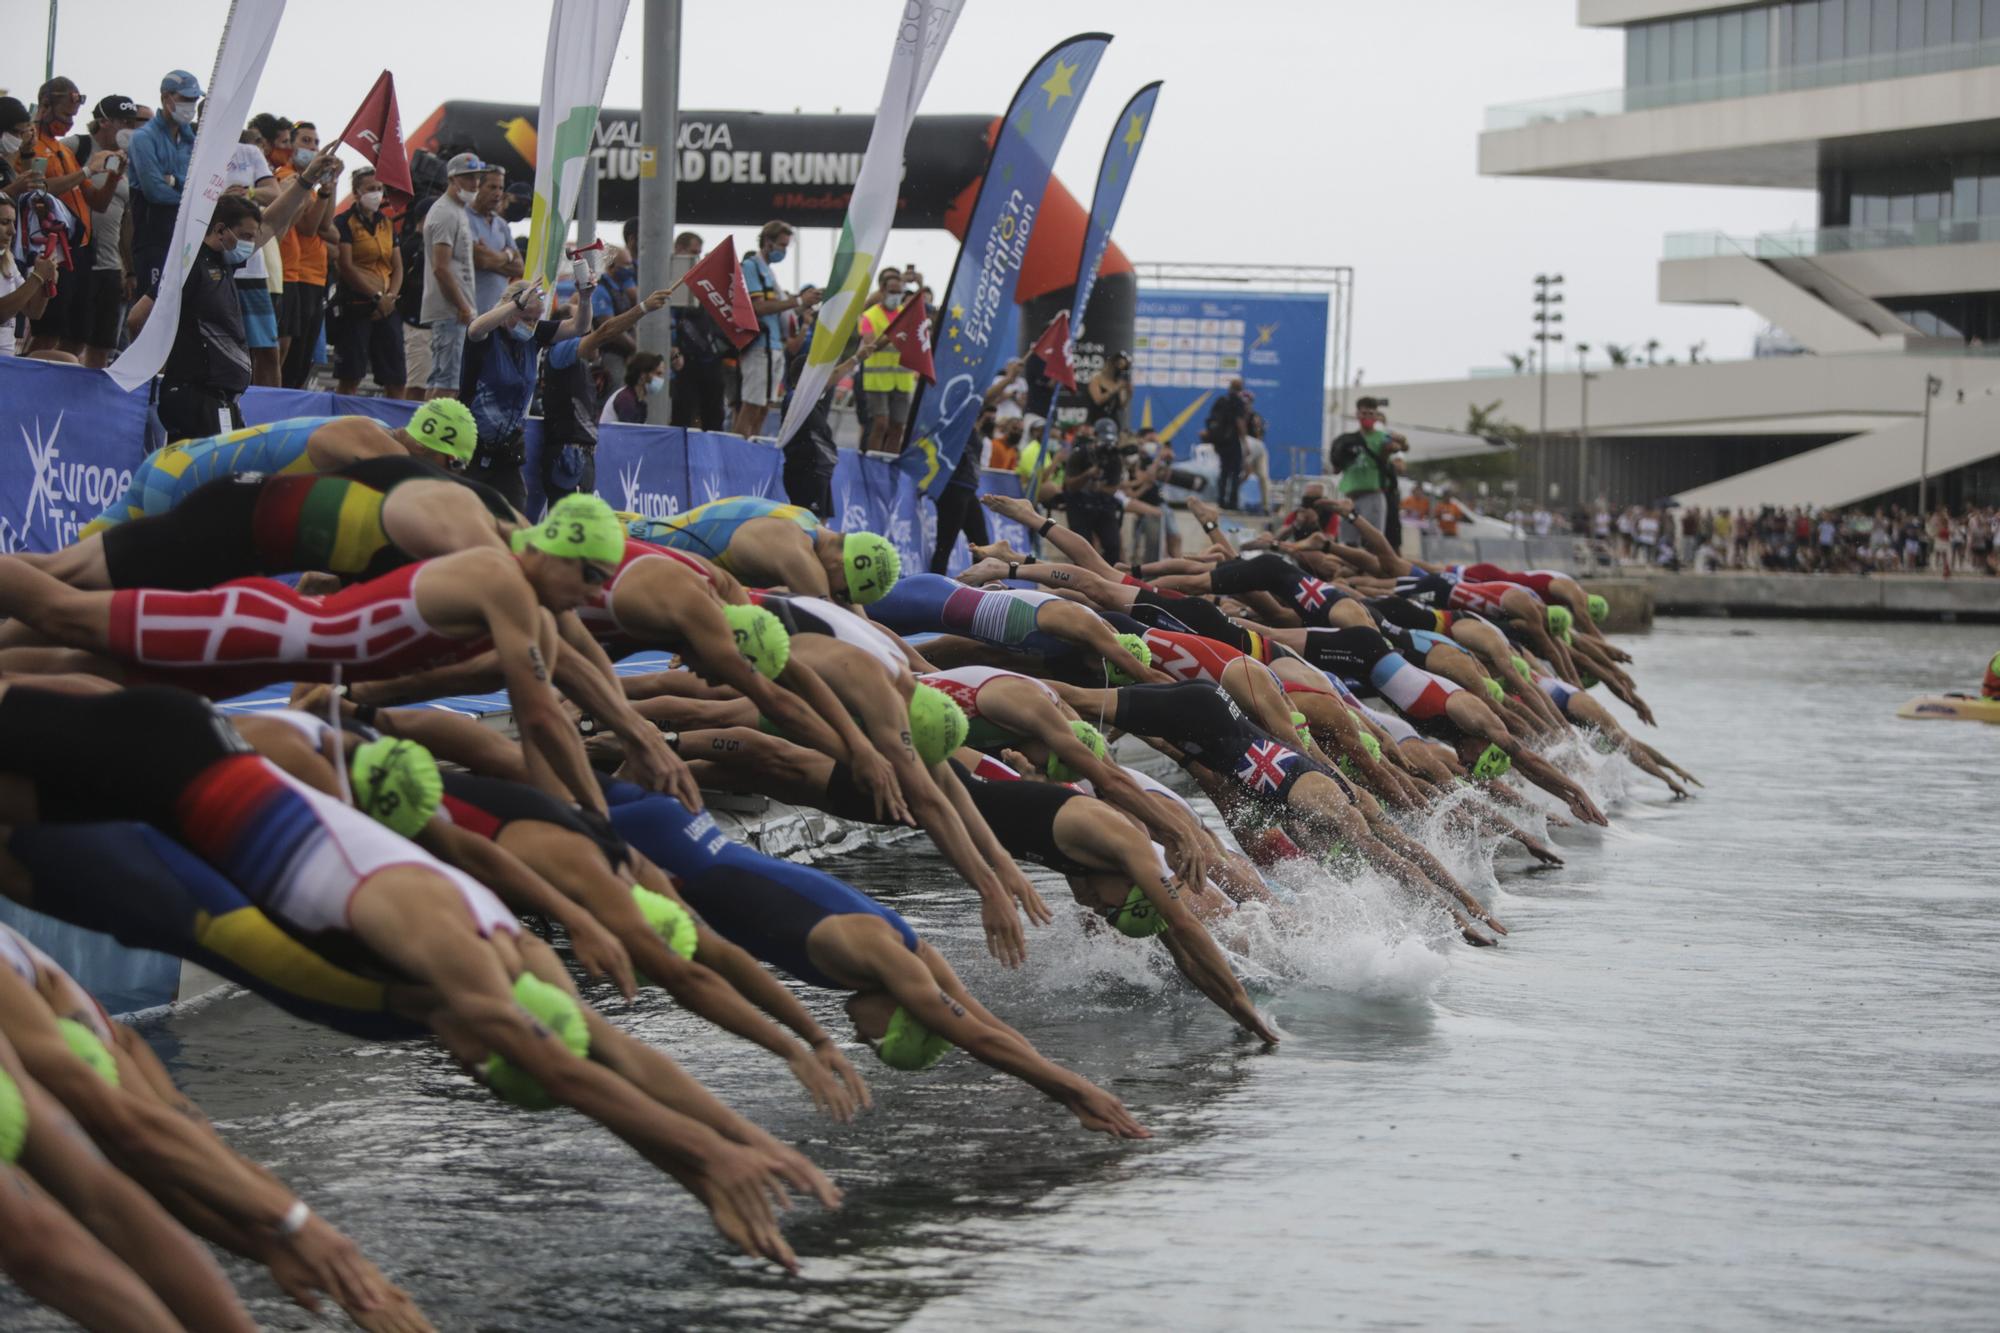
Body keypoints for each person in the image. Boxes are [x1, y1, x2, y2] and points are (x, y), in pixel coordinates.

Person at [601, 786, 1149, 1138]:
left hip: (676, 828)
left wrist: (1045, 1086)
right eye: (877, 1042)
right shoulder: (880, 960)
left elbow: (989, 1027)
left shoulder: (912, 951)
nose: (860, 1039)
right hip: (657, 847)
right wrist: (1076, 1092)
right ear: (902, 1015)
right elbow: (976, 1038)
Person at [156, 150, 340, 442]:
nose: (250, 245)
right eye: (244, 237)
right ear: (219, 230)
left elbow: (271, 222)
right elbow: (142, 317)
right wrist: (160, 377)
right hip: (197, 396)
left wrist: (307, 180)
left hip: (223, 398)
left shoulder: (224, 261)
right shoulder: (190, 266)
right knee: (213, 482)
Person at [83, 404, 463, 533]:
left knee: (69, 568)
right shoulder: (371, 439)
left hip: (178, 463)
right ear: (432, 448)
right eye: (451, 466)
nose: (450, 476)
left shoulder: (368, 430)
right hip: (190, 485)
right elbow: (440, 500)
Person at [540, 279, 676, 503]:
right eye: (582, 323)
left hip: (581, 456)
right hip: (566, 456)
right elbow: (605, 332)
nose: (589, 330)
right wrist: (643, 308)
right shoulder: (560, 351)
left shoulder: (581, 364)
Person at [631, 496, 902, 605]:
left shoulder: (806, 523)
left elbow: (858, 623)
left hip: (635, 539)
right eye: (844, 593)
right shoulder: (796, 552)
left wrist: (918, 666)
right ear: (842, 565)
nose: (841, 598)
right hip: (627, 553)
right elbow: (836, 627)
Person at [22, 76, 105, 359]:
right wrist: (87, 171)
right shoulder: (31, 144)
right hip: (50, 248)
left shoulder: (63, 150)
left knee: (78, 332)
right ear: (46, 105)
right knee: (48, 330)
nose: (70, 122)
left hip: (79, 248)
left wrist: (112, 173)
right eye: (66, 114)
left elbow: (97, 201)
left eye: (74, 117)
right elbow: (39, 189)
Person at [732, 219, 819, 437]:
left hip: (775, 347)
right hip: (760, 346)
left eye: (786, 246)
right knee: (751, 405)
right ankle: (739, 450)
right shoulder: (751, 267)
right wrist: (798, 301)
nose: (784, 251)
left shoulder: (769, 272)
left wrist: (802, 305)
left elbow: (780, 311)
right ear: (767, 242)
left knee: (764, 407)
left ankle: (752, 450)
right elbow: (758, 307)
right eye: (781, 245)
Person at [72, 95, 140, 368]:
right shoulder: (78, 146)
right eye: (123, 122)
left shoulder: (127, 160)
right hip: (78, 258)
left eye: (133, 123)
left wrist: (130, 268)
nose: (129, 129)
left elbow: (126, 220)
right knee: (71, 341)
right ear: (103, 121)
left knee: (103, 345)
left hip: (111, 264)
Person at [125, 70, 201, 299]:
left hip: (186, 239)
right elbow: (155, 191)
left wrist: (174, 180)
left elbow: (199, 182)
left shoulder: (193, 140)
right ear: (165, 98)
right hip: (153, 239)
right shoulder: (143, 138)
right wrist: (191, 197)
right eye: (185, 99)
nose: (191, 105)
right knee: (151, 311)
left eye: (194, 100)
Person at [330, 165, 406, 394]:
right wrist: (375, 297)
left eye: (379, 188)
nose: (376, 193)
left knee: (396, 377)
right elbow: (345, 265)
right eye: (370, 188)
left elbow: (398, 266)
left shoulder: (386, 223)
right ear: (357, 192)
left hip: (387, 307)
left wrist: (390, 297)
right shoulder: (344, 221)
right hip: (355, 305)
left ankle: (395, 427)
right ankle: (342, 426)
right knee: (350, 376)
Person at [420, 152, 487, 399]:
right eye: (468, 177)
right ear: (453, 179)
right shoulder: (446, 212)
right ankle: (429, 435)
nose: (474, 184)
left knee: (448, 379)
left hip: (458, 310)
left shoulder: (457, 210)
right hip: (451, 311)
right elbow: (441, 267)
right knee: (446, 382)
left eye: (477, 177)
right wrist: (463, 306)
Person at [277, 120, 337, 388]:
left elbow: (327, 227)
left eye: (315, 142)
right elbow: (310, 226)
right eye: (305, 141)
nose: (312, 147)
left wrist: (328, 186)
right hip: (295, 274)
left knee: (303, 359)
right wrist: (322, 194)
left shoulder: (311, 188)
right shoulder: (285, 177)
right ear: (290, 144)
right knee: (288, 356)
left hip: (315, 276)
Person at [668, 231, 730, 429]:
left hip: (710, 359)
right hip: (685, 360)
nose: (697, 259)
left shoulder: (706, 282)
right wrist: (674, 348)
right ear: (679, 249)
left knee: (714, 416)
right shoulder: (670, 278)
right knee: (682, 415)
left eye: (700, 254)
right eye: (693, 253)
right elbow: (668, 319)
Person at [1328, 397, 1405, 542]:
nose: (1367, 417)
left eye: (1371, 413)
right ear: (1357, 414)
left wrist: (1393, 449)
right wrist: (1342, 455)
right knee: (1348, 543)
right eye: (1364, 413)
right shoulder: (1347, 440)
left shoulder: (1383, 437)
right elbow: (1336, 469)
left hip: (1372, 496)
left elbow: (1399, 455)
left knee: (1374, 543)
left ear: (1377, 416)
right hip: (1350, 498)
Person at [857, 269, 915, 453]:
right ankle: (872, 461)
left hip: (902, 380)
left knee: (898, 427)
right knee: (880, 424)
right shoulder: (869, 316)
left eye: (900, 292)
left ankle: (889, 463)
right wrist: (892, 335)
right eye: (892, 291)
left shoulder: (907, 313)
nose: (896, 296)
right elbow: (870, 346)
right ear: (882, 290)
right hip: (877, 381)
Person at [0, 197, 56, 355]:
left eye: (13, 222)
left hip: (6, 360)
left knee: (66, 359)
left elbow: (33, 311)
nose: (13, 230)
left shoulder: (7, 259)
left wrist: (45, 281)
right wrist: (37, 276)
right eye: (4, 222)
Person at [467, 168, 521, 315]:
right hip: (469, 314)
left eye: (501, 188)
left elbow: (519, 268)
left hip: (497, 316)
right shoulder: (464, 218)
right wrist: (508, 255)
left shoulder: (501, 225)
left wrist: (491, 257)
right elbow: (482, 260)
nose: (497, 193)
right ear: (478, 187)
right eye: (492, 187)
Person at [1203, 377, 1249, 509]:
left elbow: (1211, 420)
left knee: (1223, 471)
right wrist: (1244, 440)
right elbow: (1239, 422)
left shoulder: (1221, 401)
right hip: (1232, 441)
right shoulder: (1238, 402)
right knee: (1235, 471)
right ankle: (1232, 502)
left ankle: (1221, 500)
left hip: (1220, 441)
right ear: (1241, 389)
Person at [603, 351, 666, 423]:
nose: (661, 379)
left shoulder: (640, 403)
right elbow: (628, 431)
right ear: (643, 376)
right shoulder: (626, 399)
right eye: (658, 374)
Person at [1083, 350, 1133, 431]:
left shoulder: (1118, 382)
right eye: (1118, 365)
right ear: (1110, 364)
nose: (1119, 369)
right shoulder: (1097, 379)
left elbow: (1121, 406)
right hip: (1096, 418)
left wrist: (1129, 394)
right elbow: (1098, 400)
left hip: (1113, 420)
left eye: (1123, 367)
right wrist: (1115, 389)